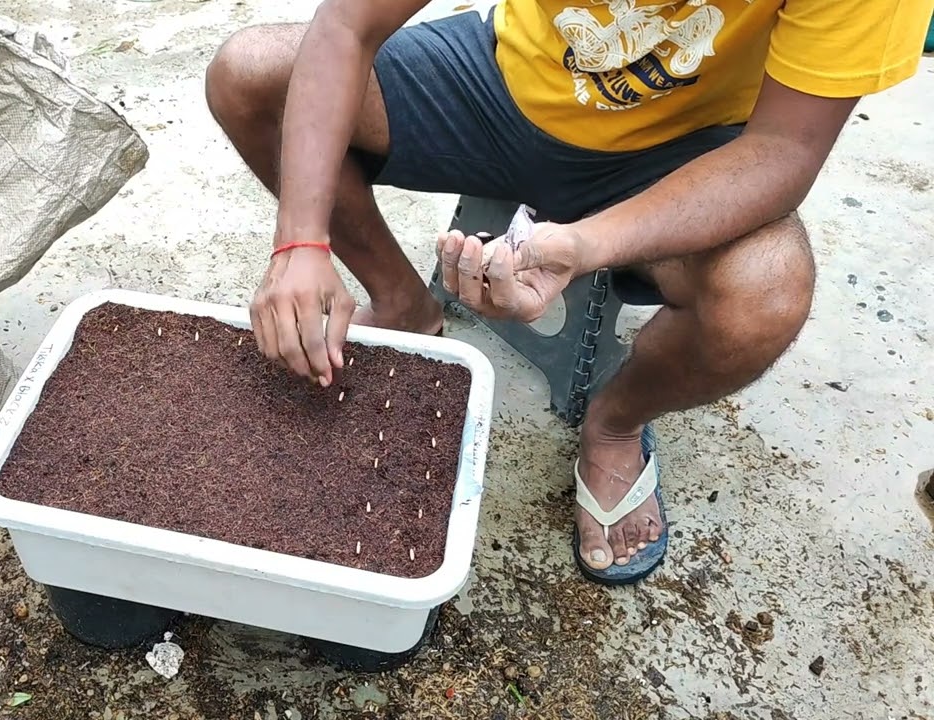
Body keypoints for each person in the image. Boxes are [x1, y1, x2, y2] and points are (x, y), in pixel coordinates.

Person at [203, 0, 932, 585]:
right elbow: (348, 22)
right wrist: (300, 240)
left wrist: (586, 243)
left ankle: (614, 424)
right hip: (503, 83)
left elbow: (783, 150)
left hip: (682, 147)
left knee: (762, 296)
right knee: (253, 71)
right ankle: (403, 301)